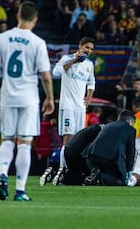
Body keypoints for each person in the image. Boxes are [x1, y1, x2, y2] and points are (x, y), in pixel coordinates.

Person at [0, 1, 54, 201]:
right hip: (29, 98)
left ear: (18, 15)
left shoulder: (2, 38)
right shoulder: (37, 42)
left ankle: (3, 175)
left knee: (7, 139)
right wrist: (49, 97)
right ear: (36, 20)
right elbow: (46, 76)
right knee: (24, 144)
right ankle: (20, 190)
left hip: (7, 96)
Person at [52, 36, 95, 180]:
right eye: (87, 47)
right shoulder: (67, 58)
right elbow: (56, 72)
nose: (89, 51)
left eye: (91, 49)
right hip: (68, 105)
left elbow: (91, 83)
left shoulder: (89, 64)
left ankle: (73, 172)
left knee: (79, 140)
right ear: (80, 46)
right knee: (68, 139)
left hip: (80, 108)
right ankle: (62, 169)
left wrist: (88, 97)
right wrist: (74, 61)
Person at [82, 110, 136, 186]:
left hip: (91, 154)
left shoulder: (108, 125)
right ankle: (100, 178)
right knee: (120, 182)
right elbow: (130, 152)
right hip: (110, 158)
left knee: (101, 173)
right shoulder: (131, 130)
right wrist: (128, 170)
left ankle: (95, 177)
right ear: (131, 121)